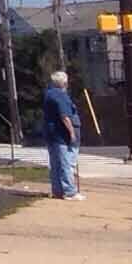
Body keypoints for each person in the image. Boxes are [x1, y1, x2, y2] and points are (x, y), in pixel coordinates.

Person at [41, 68, 84, 197]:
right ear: (63, 83)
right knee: (66, 163)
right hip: (61, 135)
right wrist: (72, 133)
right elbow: (65, 116)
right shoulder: (60, 95)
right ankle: (70, 191)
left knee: (56, 163)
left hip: (51, 133)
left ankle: (58, 191)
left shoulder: (49, 94)